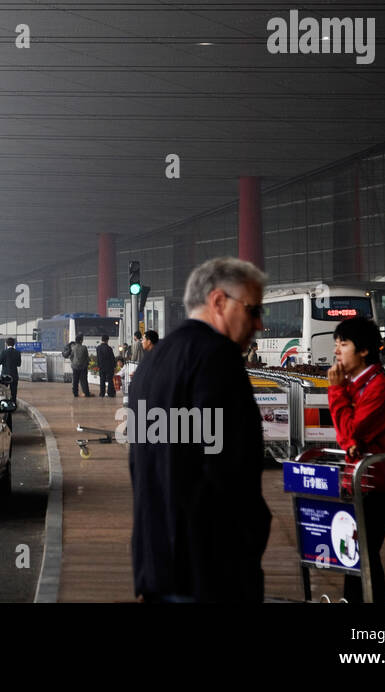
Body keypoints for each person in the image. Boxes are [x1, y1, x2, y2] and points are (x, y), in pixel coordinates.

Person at [130, 256, 271, 602]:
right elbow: (229, 469)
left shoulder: (152, 363)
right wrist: (252, 535)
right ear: (219, 301)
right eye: (253, 310)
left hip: (157, 561)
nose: (259, 324)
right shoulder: (217, 359)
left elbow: (145, 461)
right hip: (211, 569)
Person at [326, 317, 385, 603]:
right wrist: (348, 443)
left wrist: (335, 392)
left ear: (363, 351)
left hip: (377, 485)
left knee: (364, 555)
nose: (337, 351)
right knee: (354, 557)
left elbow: (351, 434)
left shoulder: (379, 388)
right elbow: (347, 438)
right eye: (336, 344)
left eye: (343, 344)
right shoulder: (356, 384)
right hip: (357, 482)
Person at [0, 336, 22, 408]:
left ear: (6, 344)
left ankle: (4, 405)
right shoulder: (17, 352)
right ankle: (13, 405)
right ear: (14, 344)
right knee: (13, 392)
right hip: (14, 374)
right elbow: (19, 364)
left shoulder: (3, 352)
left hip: (5, 375)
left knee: (4, 391)